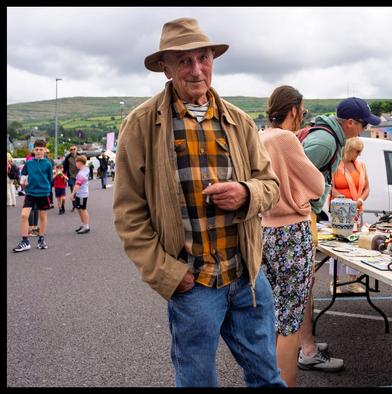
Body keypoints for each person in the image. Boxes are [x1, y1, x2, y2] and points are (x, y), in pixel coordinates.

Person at [112, 17, 284, 388]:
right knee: (197, 381)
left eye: (203, 58)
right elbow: (129, 214)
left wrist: (246, 192)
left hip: (247, 277)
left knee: (268, 376)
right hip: (193, 283)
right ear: (166, 67)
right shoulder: (141, 124)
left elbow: (270, 185)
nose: (196, 69)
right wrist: (168, 274)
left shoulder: (238, 121)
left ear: (212, 60)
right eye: (184, 61)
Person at [297, 97, 380, 372]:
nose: (365, 129)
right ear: (350, 123)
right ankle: (307, 350)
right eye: (364, 124)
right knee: (303, 286)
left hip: (306, 212)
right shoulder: (326, 142)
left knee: (304, 286)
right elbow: (290, 174)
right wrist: (305, 206)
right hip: (301, 215)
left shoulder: (330, 137)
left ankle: (304, 340)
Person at [259, 85, 325, 386]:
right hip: (291, 232)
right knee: (290, 321)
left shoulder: (259, 136)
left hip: (264, 230)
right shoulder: (286, 139)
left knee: (272, 314)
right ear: (295, 110)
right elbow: (316, 184)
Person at [329, 137, 370, 293]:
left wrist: (359, 201)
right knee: (337, 246)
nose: (359, 155)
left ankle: (353, 282)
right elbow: (330, 187)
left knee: (355, 245)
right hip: (340, 211)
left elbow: (367, 188)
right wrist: (344, 200)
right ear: (348, 149)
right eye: (357, 151)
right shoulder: (336, 166)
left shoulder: (361, 166)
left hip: (356, 212)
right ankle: (335, 282)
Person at [13, 139, 53, 252]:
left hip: (43, 193)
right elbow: (24, 175)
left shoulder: (48, 164)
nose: (39, 151)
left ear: (45, 150)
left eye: (41, 149)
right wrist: (23, 183)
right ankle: (25, 241)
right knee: (24, 215)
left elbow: (50, 179)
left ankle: (41, 239)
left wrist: (47, 189)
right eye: (37, 149)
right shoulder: (29, 163)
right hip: (30, 193)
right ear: (33, 150)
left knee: (43, 216)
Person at [71, 155, 91, 234]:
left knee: (82, 209)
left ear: (80, 162)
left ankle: (86, 226)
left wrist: (72, 194)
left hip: (82, 194)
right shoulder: (86, 169)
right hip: (82, 193)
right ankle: (84, 225)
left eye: (76, 162)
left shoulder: (81, 174)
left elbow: (77, 185)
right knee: (80, 209)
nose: (75, 163)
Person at [62, 145, 79, 211]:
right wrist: (63, 175)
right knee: (73, 191)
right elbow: (65, 167)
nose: (73, 150)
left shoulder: (80, 156)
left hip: (79, 177)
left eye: (74, 149)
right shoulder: (68, 158)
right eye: (71, 149)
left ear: (76, 149)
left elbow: (84, 165)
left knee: (79, 191)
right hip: (71, 177)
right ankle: (74, 206)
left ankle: (78, 204)